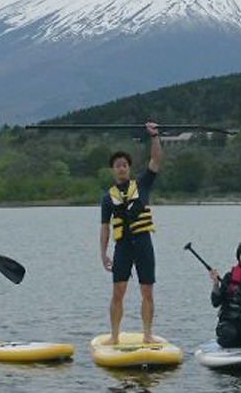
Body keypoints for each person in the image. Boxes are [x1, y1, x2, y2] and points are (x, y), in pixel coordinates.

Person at [99, 121, 162, 345]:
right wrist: (103, 253)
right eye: (118, 165)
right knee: (118, 292)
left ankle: (147, 334)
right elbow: (105, 227)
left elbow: (155, 161)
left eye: (125, 164)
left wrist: (154, 136)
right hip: (123, 247)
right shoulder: (108, 198)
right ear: (113, 170)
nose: (122, 168)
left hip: (143, 243)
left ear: (129, 167)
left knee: (147, 291)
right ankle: (114, 336)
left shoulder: (143, 185)